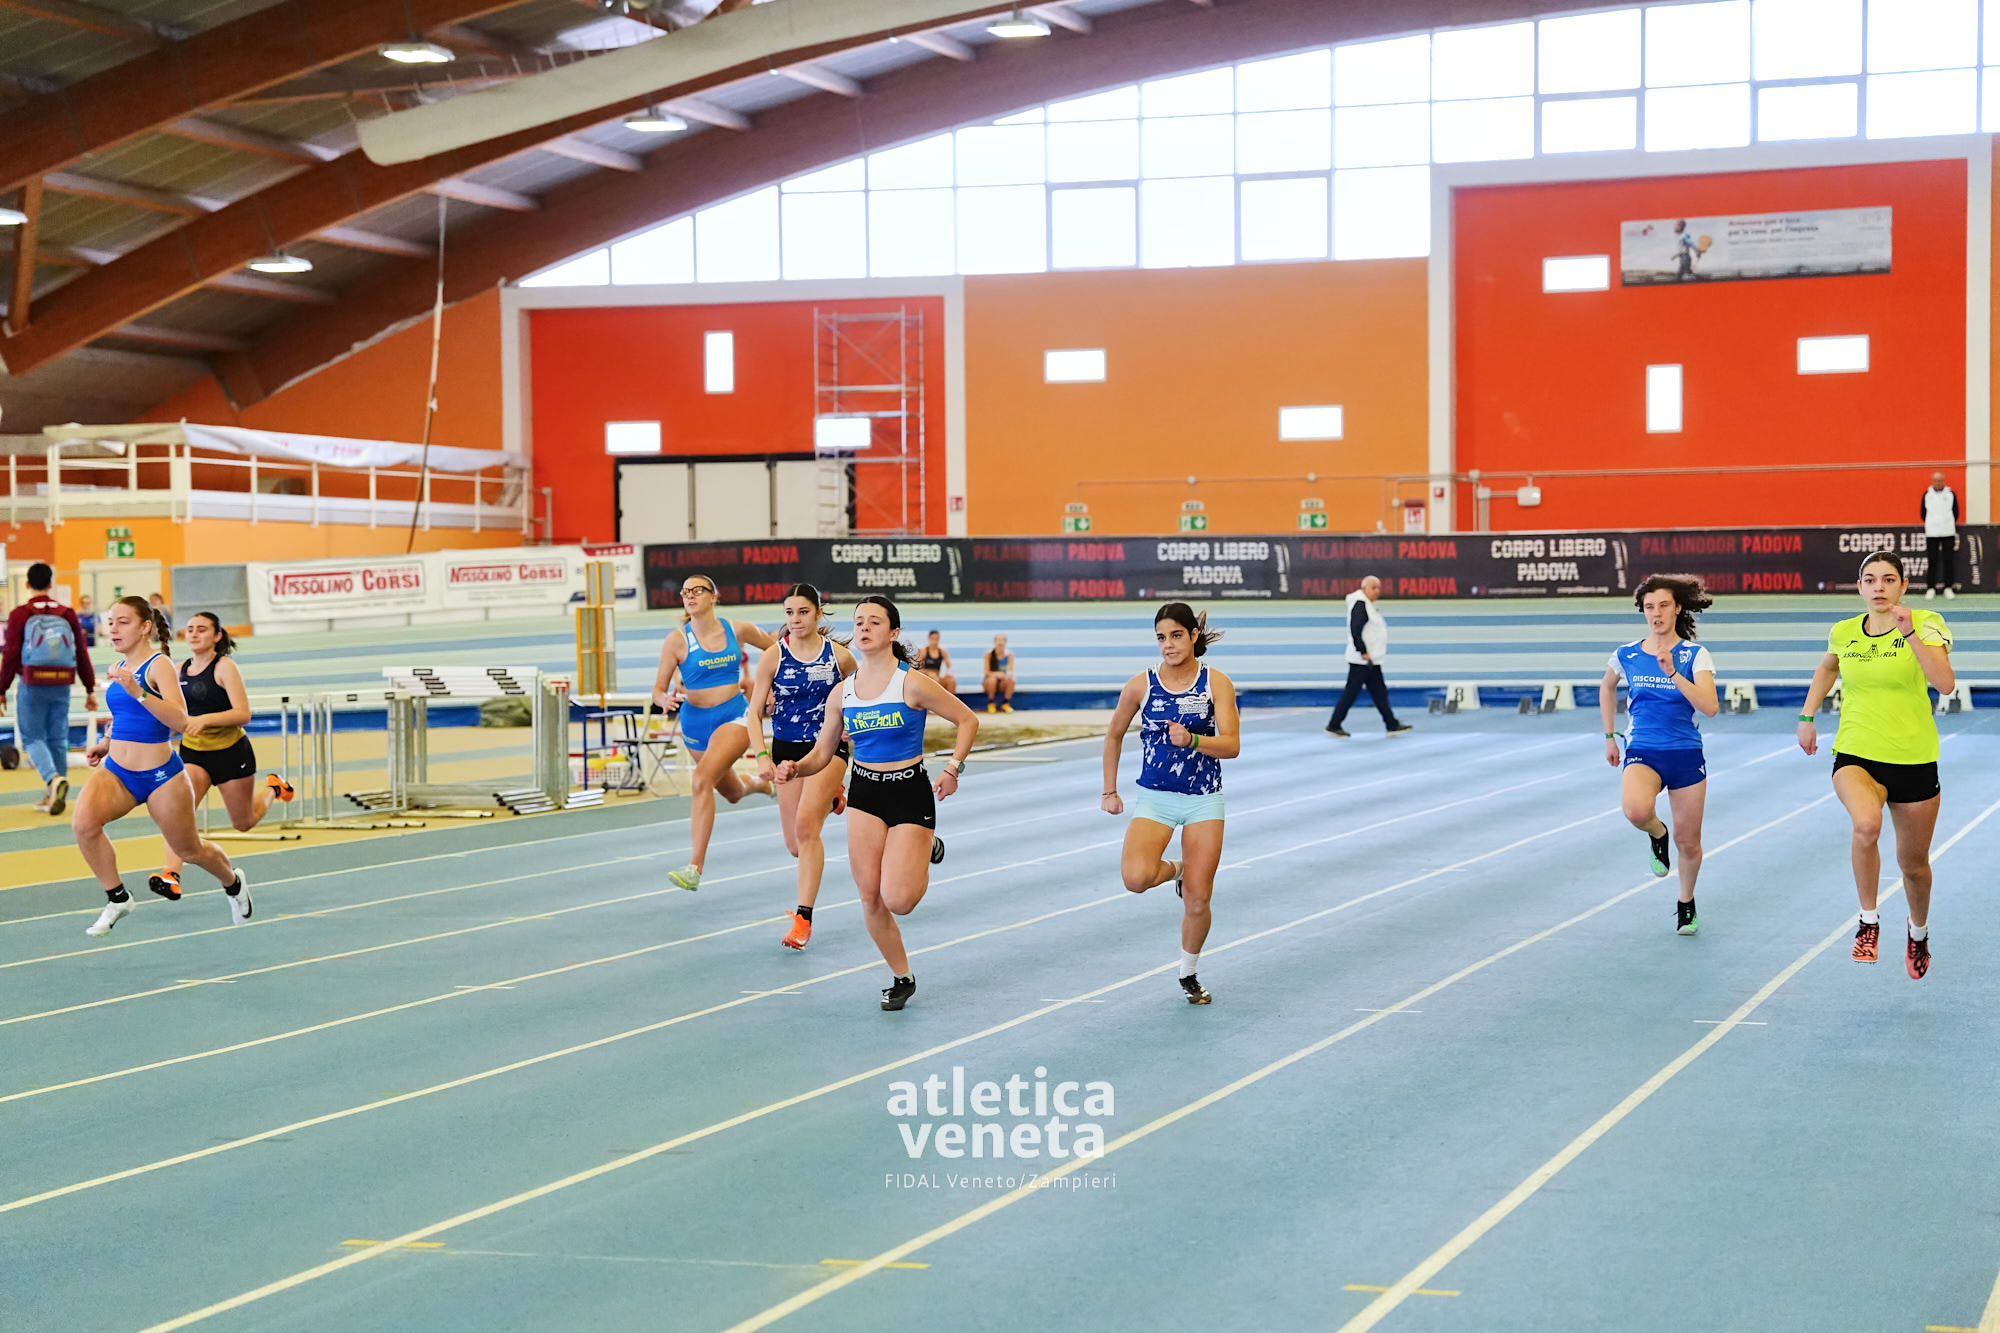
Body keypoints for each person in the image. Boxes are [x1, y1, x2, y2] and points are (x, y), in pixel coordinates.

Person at [776, 595, 977, 1012]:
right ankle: (902, 977)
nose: (864, 628)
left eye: (874, 622)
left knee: (899, 900)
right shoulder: (842, 693)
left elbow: (967, 720)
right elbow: (823, 753)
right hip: (865, 794)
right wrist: (796, 768)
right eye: (859, 622)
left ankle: (924, 844)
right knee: (870, 897)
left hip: (909, 791)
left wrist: (952, 768)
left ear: (893, 632)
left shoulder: (912, 683)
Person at [1798, 551, 1952, 980]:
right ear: (1860, 587)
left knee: (1914, 866)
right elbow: (1827, 668)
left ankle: (1918, 931)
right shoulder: (1844, 631)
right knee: (1866, 826)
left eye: (1888, 579)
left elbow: (1945, 683)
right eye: (1870, 579)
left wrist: (1910, 633)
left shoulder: (1926, 621)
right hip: (1856, 751)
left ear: (1903, 585)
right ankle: (1868, 921)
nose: (1879, 587)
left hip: (1913, 758)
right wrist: (1807, 716)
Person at [73, 596, 248, 937]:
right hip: (118, 771)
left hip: (161, 777)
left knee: (189, 850)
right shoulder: (119, 666)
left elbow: (180, 721)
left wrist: (139, 691)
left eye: (123, 622)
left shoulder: (160, 665)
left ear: (145, 627)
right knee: (84, 825)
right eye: (110, 622)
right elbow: (123, 715)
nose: (113, 628)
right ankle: (118, 898)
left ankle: (232, 882)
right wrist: (106, 742)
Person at [1101, 603, 1240, 1005]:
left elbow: (1231, 745)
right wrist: (1109, 791)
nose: (1168, 645)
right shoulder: (1141, 685)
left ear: (1193, 636)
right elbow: (1113, 735)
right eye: (1161, 638)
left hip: (1203, 800)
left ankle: (1188, 973)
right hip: (1155, 798)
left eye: (1176, 635)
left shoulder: (1216, 683)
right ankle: (1179, 870)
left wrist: (1193, 739)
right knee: (1135, 878)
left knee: (1198, 898)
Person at [1599, 575, 1719, 935]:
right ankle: (1657, 832)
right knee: (1636, 810)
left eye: (1664, 605)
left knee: (1689, 842)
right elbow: (1606, 686)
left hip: (1685, 754)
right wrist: (1609, 736)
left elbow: (1710, 707)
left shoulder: (1695, 655)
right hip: (1643, 749)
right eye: (1649, 607)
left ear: (1677, 608)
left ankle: (1686, 901)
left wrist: (1673, 674)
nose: (1656, 613)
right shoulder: (1627, 654)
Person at [149, 612, 294, 899]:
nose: (194, 634)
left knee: (243, 822)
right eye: (190, 629)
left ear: (217, 636)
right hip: (193, 754)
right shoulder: (177, 670)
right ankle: (171, 875)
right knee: (178, 812)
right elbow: (163, 708)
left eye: (201, 629)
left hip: (231, 754)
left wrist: (204, 720)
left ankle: (274, 788)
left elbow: (243, 713)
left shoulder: (224, 667)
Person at [650, 575, 777, 891]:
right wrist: (663, 700)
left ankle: (694, 867)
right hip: (694, 724)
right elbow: (657, 689)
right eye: (685, 592)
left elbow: (777, 650)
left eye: (697, 590)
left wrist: (771, 687)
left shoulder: (738, 630)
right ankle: (759, 784)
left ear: (714, 596)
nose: (690, 596)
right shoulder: (676, 641)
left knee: (700, 780)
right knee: (732, 793)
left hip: (734, 716)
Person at [747, 583, 856, 951]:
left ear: (818, 613)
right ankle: (833, 799)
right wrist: (762, 756)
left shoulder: (840, 658)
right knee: (795, 845)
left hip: (827, 749)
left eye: (803, 612)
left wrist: (852, 729)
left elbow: (861, 696)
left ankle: (803, 919)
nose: (795, 619)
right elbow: (753, 713)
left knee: (807, 829)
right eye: (789, 612)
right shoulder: (773, 657)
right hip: (787, 751)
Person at [0, 562, 98, 817]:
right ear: (51, 583)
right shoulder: (67, 613)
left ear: (27, 584)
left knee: (32, 737)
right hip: (63, 682)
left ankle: (53, 779)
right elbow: (81, 652)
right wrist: (89, 688)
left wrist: (2, 689)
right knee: (57, 737)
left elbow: (10, 654)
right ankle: (52, 792)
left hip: (33, 682)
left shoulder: (20, 614)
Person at [1327, 575, 1411, 738]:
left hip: (1371, 659)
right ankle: (1334, 725)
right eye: (1373, 588)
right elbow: (1356, 629)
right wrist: (1362, 650)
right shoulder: (1360, 604)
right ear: (1364, 588)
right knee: (1351, 692)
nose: (1377, 591)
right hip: (1362, 660)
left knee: (1380, 693)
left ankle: (1391, 724)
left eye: (1379, 588)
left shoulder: (1367, 605)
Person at [1921, 470, 1959, 599]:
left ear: (1944, 481)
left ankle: (1948, 587)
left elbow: (1956, 512)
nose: (1938, 483)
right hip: (1932, 533)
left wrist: (1947, 523)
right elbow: (1923, 513)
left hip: (1948, 532)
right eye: (1935, 480)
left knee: (1949, 560)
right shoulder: (1927, 494)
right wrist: (1932, 524)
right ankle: (1931, 588)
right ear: (1932, 481)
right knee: (1932, 560)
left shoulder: (1950, 494)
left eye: (1940, 480)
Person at [982, 634, 1016, 714]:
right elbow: (986, 673)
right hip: (989, 682)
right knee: (992, 680)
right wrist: (997, 674)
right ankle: (991, 703)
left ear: (1005, 642)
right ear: (994, 642)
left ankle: (1006, 703)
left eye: (1002, 640)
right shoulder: (989, 654)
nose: (1000, 643)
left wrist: (1004, 676)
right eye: (998, 640)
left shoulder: (1009, 655)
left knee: (1012, 680)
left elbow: (1010, 671)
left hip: (1002, 682)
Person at [915, 630, 957, 695]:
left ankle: (950, 700)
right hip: (926, 679)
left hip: (937, 679)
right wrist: (928, 673)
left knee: (952, 680)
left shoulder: (942, 651)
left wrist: (948, 674)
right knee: (933, 678)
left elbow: (950, 667)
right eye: (933, 639)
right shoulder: (923, 651)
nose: (934, 641)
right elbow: (916, 669)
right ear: (929, 639)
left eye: (936, 639)